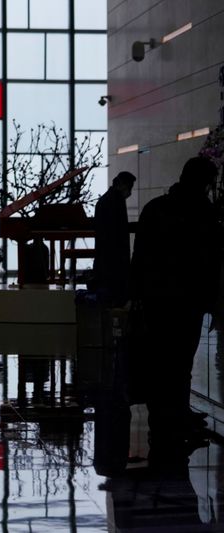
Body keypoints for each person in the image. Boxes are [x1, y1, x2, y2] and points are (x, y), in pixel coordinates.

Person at [130, 156, 221, 444]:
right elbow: (209, 260)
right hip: (188, 300)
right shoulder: (203, 212)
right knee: (181, 360)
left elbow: (141, 257)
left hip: (158, 298)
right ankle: (177, 414)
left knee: (161, 358)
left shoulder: (155, 208)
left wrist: (136, 295)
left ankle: (166, 416)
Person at [93, 171, 136, 307]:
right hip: (114, 265)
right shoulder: (116, 201)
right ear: (123, 185)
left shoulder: (106, 200)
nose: (130, 191)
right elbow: (118, 235)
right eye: (130, 187)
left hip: (105, 263)